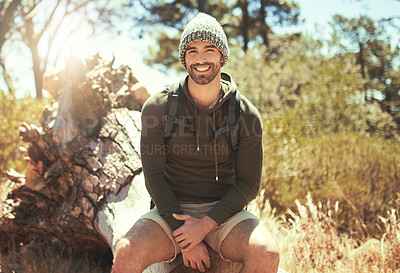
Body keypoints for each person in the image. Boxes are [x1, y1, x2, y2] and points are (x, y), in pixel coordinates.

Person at [112, 13, 279, 273]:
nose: (200, 58)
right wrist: (185, 237)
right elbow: (154, 177)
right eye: (192, 51)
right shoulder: (158, 107)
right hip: (171, 214)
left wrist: (204, 226)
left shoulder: (246, 114)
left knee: (266, 253)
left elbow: (249, 184)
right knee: (126, 252)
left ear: (222, 56)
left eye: (209, 49)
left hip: (225, 214)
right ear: (184, 59)